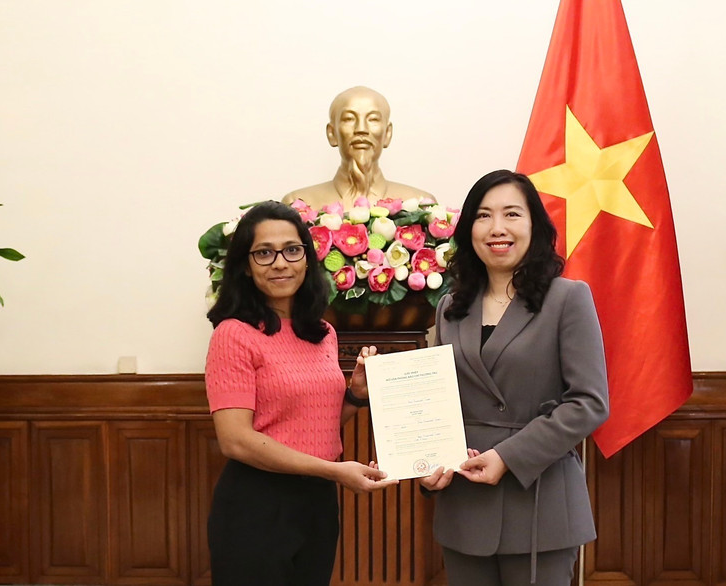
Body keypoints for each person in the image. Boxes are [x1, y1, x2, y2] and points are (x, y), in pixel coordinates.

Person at [419, 170, 609, 586]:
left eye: (511, 214)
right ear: (469, 230)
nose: (497, 228)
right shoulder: (450, 306)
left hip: (539, 501)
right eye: (483, 216)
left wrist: (508, 457)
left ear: (534, 225)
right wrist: (428, 462)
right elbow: (439, 403)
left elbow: (590, 403)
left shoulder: (568, 298)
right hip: (465, 503)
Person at [204, 200, 397, 586]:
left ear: (307, 259)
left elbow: (312, 423)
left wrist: (356, 395)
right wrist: (334, 471)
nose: (280, 263)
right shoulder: (234, 334)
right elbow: (235, 440)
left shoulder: (322, 333)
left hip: (317, 504)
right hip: (257, 504)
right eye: (264, 253)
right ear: (246, 265)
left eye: (292, 250)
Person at [282, 86, 435, 210]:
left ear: (387, 133)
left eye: (373, 119)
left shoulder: (421, 205)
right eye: (349, 119)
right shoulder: (299, 204)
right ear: (332, 133)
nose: (361, 129)